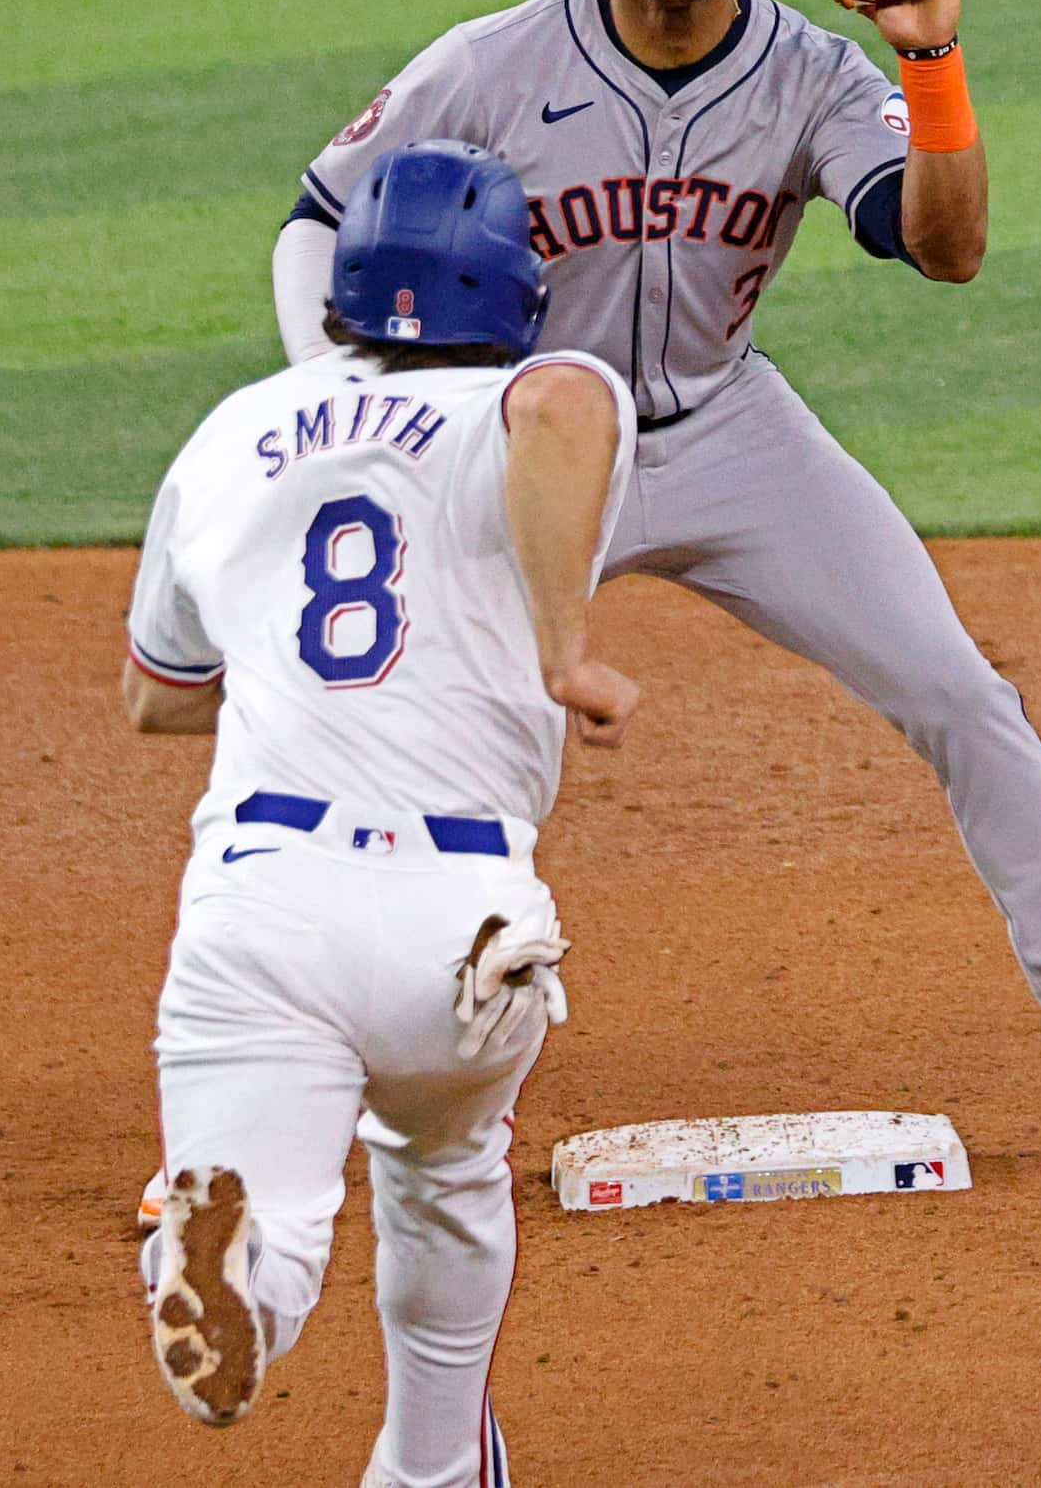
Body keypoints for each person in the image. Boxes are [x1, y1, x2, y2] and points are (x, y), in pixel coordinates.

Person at [268, 0, 1041, 1178]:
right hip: (534, 446)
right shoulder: (488, 63)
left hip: (734, 433)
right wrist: (343, 402)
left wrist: (931, 57)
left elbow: (948, 247)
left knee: (965, 696)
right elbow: (316, 216)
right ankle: (284, 1109)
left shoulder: (812, 73)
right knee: (407, 744)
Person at [124, 138, 638, 1485]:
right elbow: (569, 410)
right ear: (515, 287)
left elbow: (154, 695)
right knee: (448, 1165)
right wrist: (562, 647)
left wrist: (294, 676)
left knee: (278, 1209)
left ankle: (243, 1261)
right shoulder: (529, 397)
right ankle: (430, 1469)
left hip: (259, 899)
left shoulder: (232, 427)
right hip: (456, 921)